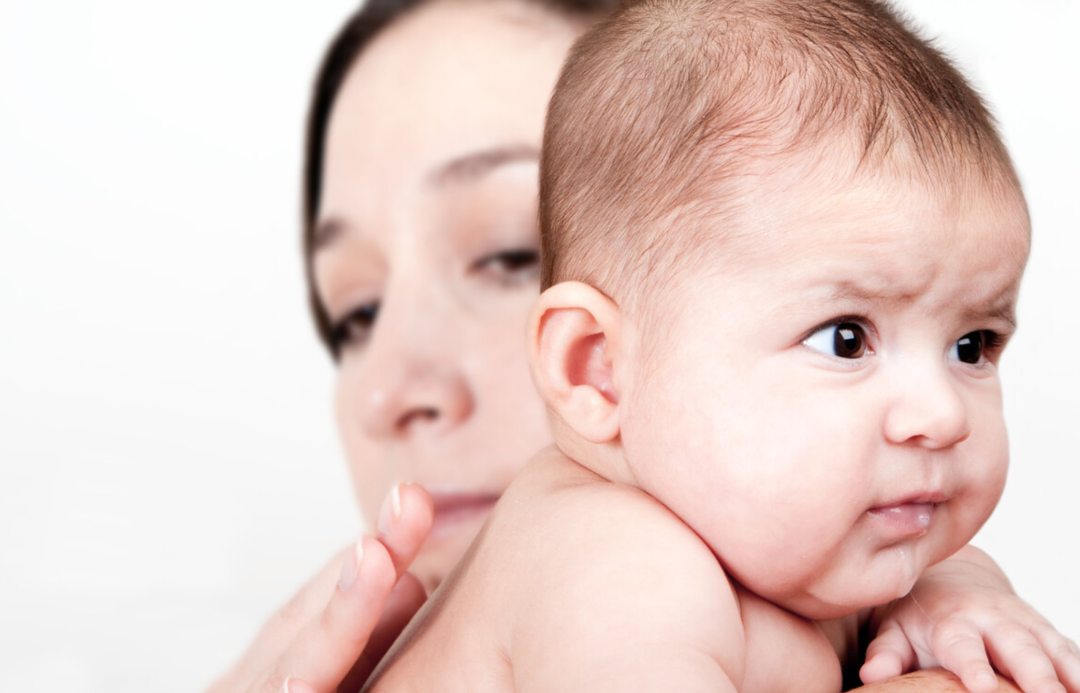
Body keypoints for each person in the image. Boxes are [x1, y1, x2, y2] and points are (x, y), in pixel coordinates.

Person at [208, 0, 1079, 691]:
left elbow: (908, 570)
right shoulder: (613, 559)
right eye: (846, 338)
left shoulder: (786, 538)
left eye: (973, 343)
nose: (940, 414)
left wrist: (960, 592)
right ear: (597, 367)